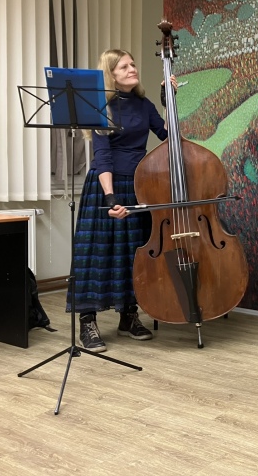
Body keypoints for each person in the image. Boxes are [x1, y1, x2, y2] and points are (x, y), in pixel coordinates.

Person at [67, 48, 175, 353]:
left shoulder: (144, 105)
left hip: (139, 185)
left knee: (133, 252)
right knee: (96, 253)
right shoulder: (101, 106)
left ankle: (128, 315)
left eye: (133, 64)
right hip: (106, 185)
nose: (132, 69)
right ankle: (87, 321)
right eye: (124, 66)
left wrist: (170, 102)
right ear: (111, 74)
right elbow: (102, 155)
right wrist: (110, 197)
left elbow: (168, 136)